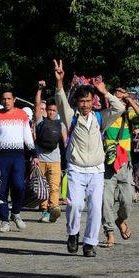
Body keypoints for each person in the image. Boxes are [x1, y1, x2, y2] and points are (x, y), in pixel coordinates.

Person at [54, 59, 124, 257]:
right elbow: (59, 100)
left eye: (88, 101)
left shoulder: (101, 118)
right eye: (81, 101)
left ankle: (89, 243)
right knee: (75, 204)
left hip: (96, 170)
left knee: (95, 207)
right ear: (77, 102)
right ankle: (73, 234)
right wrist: (59, 81)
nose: (85, 104)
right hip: (76, 168)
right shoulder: (71, 117)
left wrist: (104, 92)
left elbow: (119, 108)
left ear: (92, 102)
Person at [101, 87, 139, 248]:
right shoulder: (106, 115)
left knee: (127, 202)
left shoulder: (129, 115)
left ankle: (121, 219)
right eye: (118, 94)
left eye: (123, 93)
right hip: (107, 165)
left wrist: (129, 99)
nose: (121, 96)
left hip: (124, 165)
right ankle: (110, 233)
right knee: (106, 202)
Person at [0, 88, 39, 233]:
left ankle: (16, 212)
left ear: (14, 99)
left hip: (18, 155)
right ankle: (4, 221)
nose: (6, 101)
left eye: (9, 99)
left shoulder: (22, 114)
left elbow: (27, 136)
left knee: (19, 186)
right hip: (0, 156)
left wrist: (34, 154)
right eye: (3, 99)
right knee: (2, 190)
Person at [34, 80, 67, 223]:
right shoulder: (40, 121)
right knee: (42, 188)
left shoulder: (61, 125)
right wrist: (39, 90)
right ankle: (44, 211)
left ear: (57, 111)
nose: (51, 112)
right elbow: (36, 106)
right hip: (40, 159)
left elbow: (65, 143)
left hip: (55, 160)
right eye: (49, 110)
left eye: (54, 110)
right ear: (46, 110)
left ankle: (53, 209)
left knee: (54, 187)